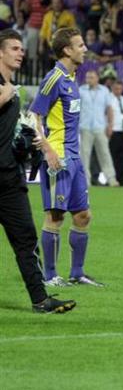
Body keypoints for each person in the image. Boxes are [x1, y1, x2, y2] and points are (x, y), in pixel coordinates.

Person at [0, 29, 75, 313]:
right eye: (14, 48)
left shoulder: (13, 88)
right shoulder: (7, 90)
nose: (21, 53)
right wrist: (5, 96)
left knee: (26, 239)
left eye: (22, 48)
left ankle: (41, 299)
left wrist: (31, 143)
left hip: (11, 178)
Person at [29, 28, 104, 287]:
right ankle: (50, 276)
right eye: (80, 45)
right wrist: (47, 149)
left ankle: (77, 273)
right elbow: (34, 116)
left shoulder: (71, 79)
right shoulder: (54, 79)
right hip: (57, 156)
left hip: (74, 156)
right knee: (55, 215)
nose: (85, 49)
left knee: (83, 215)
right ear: (67, 50)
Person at [78, 70, 119, 187]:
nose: (89, 79)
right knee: (84, 155)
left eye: (91, 77)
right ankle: (85, 180)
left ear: (97, 78)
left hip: (100, 127)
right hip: (85, 127)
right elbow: (76, 109)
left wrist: (110, 125)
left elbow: (109, 109)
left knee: (105, 154)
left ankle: (111, 179)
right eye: (87, 77)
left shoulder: (104, 91)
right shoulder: (81, 90)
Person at [107, 79, 123, 186]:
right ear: (112, 88)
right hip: (114, 130)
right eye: (116, 88)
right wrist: (109, 127)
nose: (118, 91)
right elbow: (107, 114)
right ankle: (113, 178)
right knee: (113, 156)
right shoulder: (109, 99)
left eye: (120, 89)